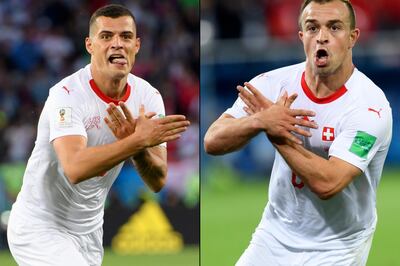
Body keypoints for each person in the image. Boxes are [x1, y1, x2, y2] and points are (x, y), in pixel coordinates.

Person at [204, 0, 392, 265]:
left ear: (353, 38)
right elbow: (212, 140)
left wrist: (277, 132)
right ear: (302, 36)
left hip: (339, 244)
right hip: (275, 234)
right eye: (312, 28)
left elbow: (329, 183)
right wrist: (258, 120)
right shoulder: (272, 84)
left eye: (335, 27)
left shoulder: (370, 107)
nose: (322, 37)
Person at [7, 4, 190, 266]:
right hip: (39, 226)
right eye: (106, 36)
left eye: (125, 36)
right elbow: (74, 167)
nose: (117, 44)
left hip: (90, 232)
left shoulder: (148, 98)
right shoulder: (67, 95)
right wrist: (135, 141)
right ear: (90, 45)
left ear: (136, 45)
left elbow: (158, 179)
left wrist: (137, 150)